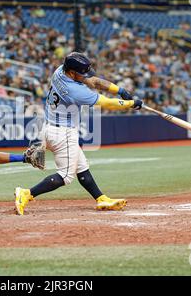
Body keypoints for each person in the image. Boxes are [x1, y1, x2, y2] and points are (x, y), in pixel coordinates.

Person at [14, 52, 143, 215]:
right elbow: (106, 103)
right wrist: (131, 104)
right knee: (66, 176)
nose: (86, 77)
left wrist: (120, 90)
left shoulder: (60, 71)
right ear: (72, 73)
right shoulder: (74, 90)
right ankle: (26, 193)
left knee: (81, 167)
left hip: (50, 128)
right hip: (63, 133)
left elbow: (93, 81)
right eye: (82, 74)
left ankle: (101, 198)